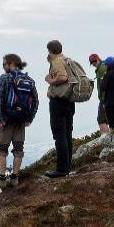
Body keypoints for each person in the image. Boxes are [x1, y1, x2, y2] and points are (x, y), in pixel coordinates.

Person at [0, 54, 36, 188]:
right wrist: (29, 118)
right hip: (21, 121)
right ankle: (14, 178)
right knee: (18, 149)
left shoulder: (4, 78)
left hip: (6, 120)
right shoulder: (29, 80)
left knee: (1, 149)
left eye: (4, 64)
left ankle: (1, 179)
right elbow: (35, 102)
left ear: (10, 63)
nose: (3, 67)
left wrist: (0, 119)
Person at [44, 40, 74, 179]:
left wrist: (50, 81)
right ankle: (67, 166)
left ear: (50, 50)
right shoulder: (67, 59)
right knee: (67, 134)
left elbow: (63, 77)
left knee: (59, 135)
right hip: (69, 100)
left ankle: (61, 169)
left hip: (58, 101)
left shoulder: (57, 61)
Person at [89, 54, 110, 134]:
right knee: (110, 118)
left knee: (101, 119)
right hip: (109, 97)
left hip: (105, 98)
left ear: (98, 59)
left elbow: (105, 85)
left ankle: (106, 138)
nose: (93, 63)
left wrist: (104, 100)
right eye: (91, 62)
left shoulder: (101, 69)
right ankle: (113, 136)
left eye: (94, 61)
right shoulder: (104, 67)